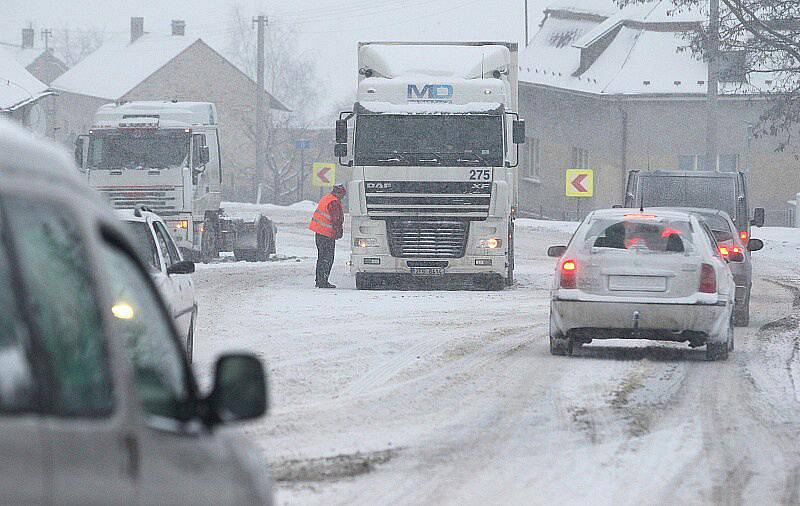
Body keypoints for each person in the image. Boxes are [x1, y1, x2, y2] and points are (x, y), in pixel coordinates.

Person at [309, 185, 346, 288]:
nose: (343, 197)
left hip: (319, 233)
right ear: (339, 193)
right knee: (327, 258)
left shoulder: (326, 198)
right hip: (327, 234)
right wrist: (338, 232)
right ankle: (323, 281)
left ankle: (319, 280)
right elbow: (336, 219)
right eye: (342, 195)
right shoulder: (333, 202)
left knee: (321, 258)